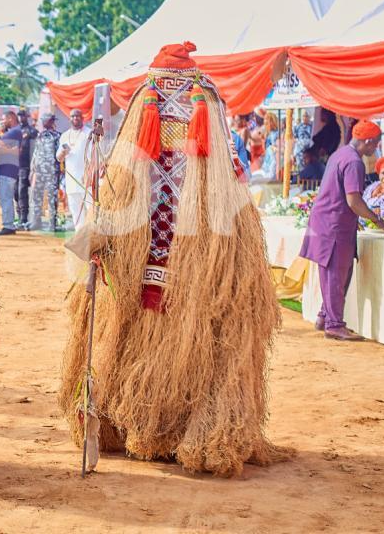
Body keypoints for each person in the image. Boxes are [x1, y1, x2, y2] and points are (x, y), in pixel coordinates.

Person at [59, 42, 288, 477]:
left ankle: (137, 423)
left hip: (149, 243)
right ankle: (174, 427)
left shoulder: (147, 98)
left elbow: (122, 174)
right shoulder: (206, 100)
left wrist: (105, 222)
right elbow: (233, 170)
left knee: (132, 326)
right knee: (202, 333)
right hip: (199, 248)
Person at [300, 120, 384, 341]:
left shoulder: (340, 154)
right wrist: (376, 219)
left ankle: (325, 316)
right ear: (368, 141)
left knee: (337, 274)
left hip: (330, 222)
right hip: (334, 226)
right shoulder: (354, 162)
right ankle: (334, 324)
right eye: (376, 144)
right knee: (335, 275)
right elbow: (353, 200)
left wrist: (356, 218)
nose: (375, 149)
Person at [57, 108, 92, 231]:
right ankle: (80, 239)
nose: (75, 118)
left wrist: (89, 173)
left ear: (82, 118)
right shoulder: (65, 136)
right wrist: (62, 152)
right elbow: (59, 158)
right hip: (71, 181)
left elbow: (94, 156)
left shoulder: (88, 133)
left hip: (86, 180)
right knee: (76, 212)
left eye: (77, 116)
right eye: (72, 116)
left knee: (91, 210)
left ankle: (95, 239)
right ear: (69, 119)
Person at [28, 113, 61, 232]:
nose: (42, 122)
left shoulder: (58, 136)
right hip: (39, 171)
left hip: (52, 171)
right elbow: (36, 153)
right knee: (37, 197)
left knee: (52, 198)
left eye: (44, 120)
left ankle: (52, 223)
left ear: (51, 121)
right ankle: (37, 222)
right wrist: (32, 170)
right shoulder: (40, 135)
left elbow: (60, 155)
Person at [0, 111, 22, 235]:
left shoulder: (15, 131)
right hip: (9, 169)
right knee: (6, 198)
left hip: (7, 170)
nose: (3, 122)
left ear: (10, 118)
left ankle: (8, 225)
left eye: (5, 119)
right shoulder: (15, 131)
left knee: (5, 198)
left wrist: (1, 147)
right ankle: (9, 224)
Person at [14, 109, 38, 230]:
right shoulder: (15, 130)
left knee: (22, 191)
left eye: (22, 116)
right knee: (15, 192)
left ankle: (24, 218)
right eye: (19, 116)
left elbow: (35, 141)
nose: (20, 118)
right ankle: (19, 216)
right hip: (14, 166)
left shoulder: (32, 131)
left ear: (26, 117)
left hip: (25, 165)